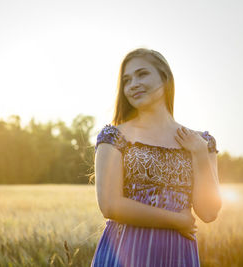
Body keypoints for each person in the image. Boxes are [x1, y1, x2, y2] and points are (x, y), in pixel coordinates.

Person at [90, 48, 222, 267]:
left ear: (165, 77)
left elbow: (208, 212)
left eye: (142, 74)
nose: (133, 84)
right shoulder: (114, 136)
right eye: (126, 80)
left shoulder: (202, 142)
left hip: (178, 256)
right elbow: (109, 205)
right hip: (125, 253)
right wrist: (177, 220)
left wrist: (198, 154)